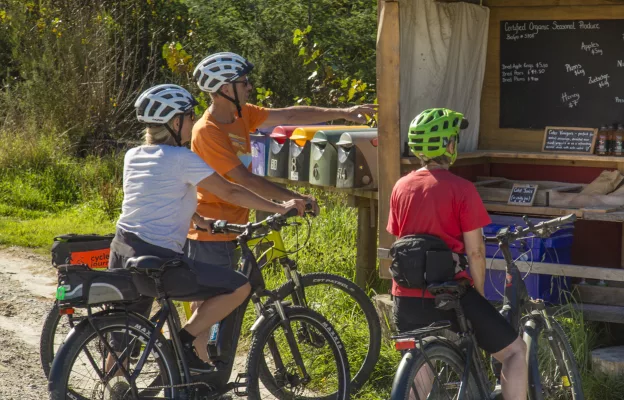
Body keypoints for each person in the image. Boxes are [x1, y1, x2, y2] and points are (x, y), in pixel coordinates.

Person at [184, 52, 378, 359]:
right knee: (205, 313)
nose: (249, 87)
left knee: (220, 306)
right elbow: (243, 181)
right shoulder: (207, 131)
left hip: (234, 226)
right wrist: (288, 200)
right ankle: (195, 373)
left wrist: (343, 112)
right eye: (243, 82)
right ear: (224, 89)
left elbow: (288, 116)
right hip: (209, 233)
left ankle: (207, 368)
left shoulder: (241, 115)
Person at [108, 84, 306, 372]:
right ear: (175, 123)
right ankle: (184, 339)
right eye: (188, 117)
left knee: (121, 341)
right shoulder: (182, 159)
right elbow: (231, 192)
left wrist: (199, 221)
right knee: (239, 286)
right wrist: (281, 205)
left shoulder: (133, 156)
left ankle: (115, 386)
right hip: (160, 263)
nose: (192, 121)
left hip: (123, 252)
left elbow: (155, 201)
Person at [388, 108, 527, 400]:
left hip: (406, 298)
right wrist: (477, 293)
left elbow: (401, 241)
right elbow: (476, 253)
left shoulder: (401, 187)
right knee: (515, 351)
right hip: (451, 297)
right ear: (449, 145)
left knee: (420, 366)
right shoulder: (462, 190)